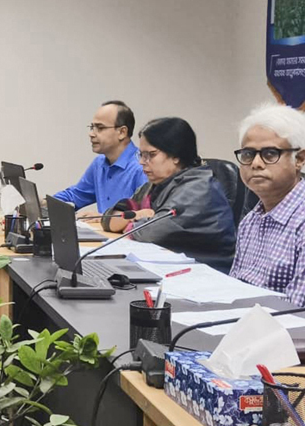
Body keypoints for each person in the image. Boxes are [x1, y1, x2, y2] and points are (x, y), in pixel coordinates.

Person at [101, 117, 237, 271]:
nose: (142, 162)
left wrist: (132, 221)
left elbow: (151, 233)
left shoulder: (198, 188)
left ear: (176, 156)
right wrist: (138, 215)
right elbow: (110, 219)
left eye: (151, 155)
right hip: (167, 267)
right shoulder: (155, 185)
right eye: (141, 154)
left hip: (205, 274)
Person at [230, 104, 305, 305]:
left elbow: (296, 312)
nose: (256, 163)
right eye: (248, 154)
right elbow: (232, 292)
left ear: (299, 159)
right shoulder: (250, 221)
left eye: (270, 153)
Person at [52, 101, 149, 213]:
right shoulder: (99, 163)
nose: (91, 134)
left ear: (122, 132)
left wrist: (102, 219)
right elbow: (77, 195)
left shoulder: (142, 167)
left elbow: (145, 216)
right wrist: (44, 202)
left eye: (100, 128)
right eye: (92, 127)